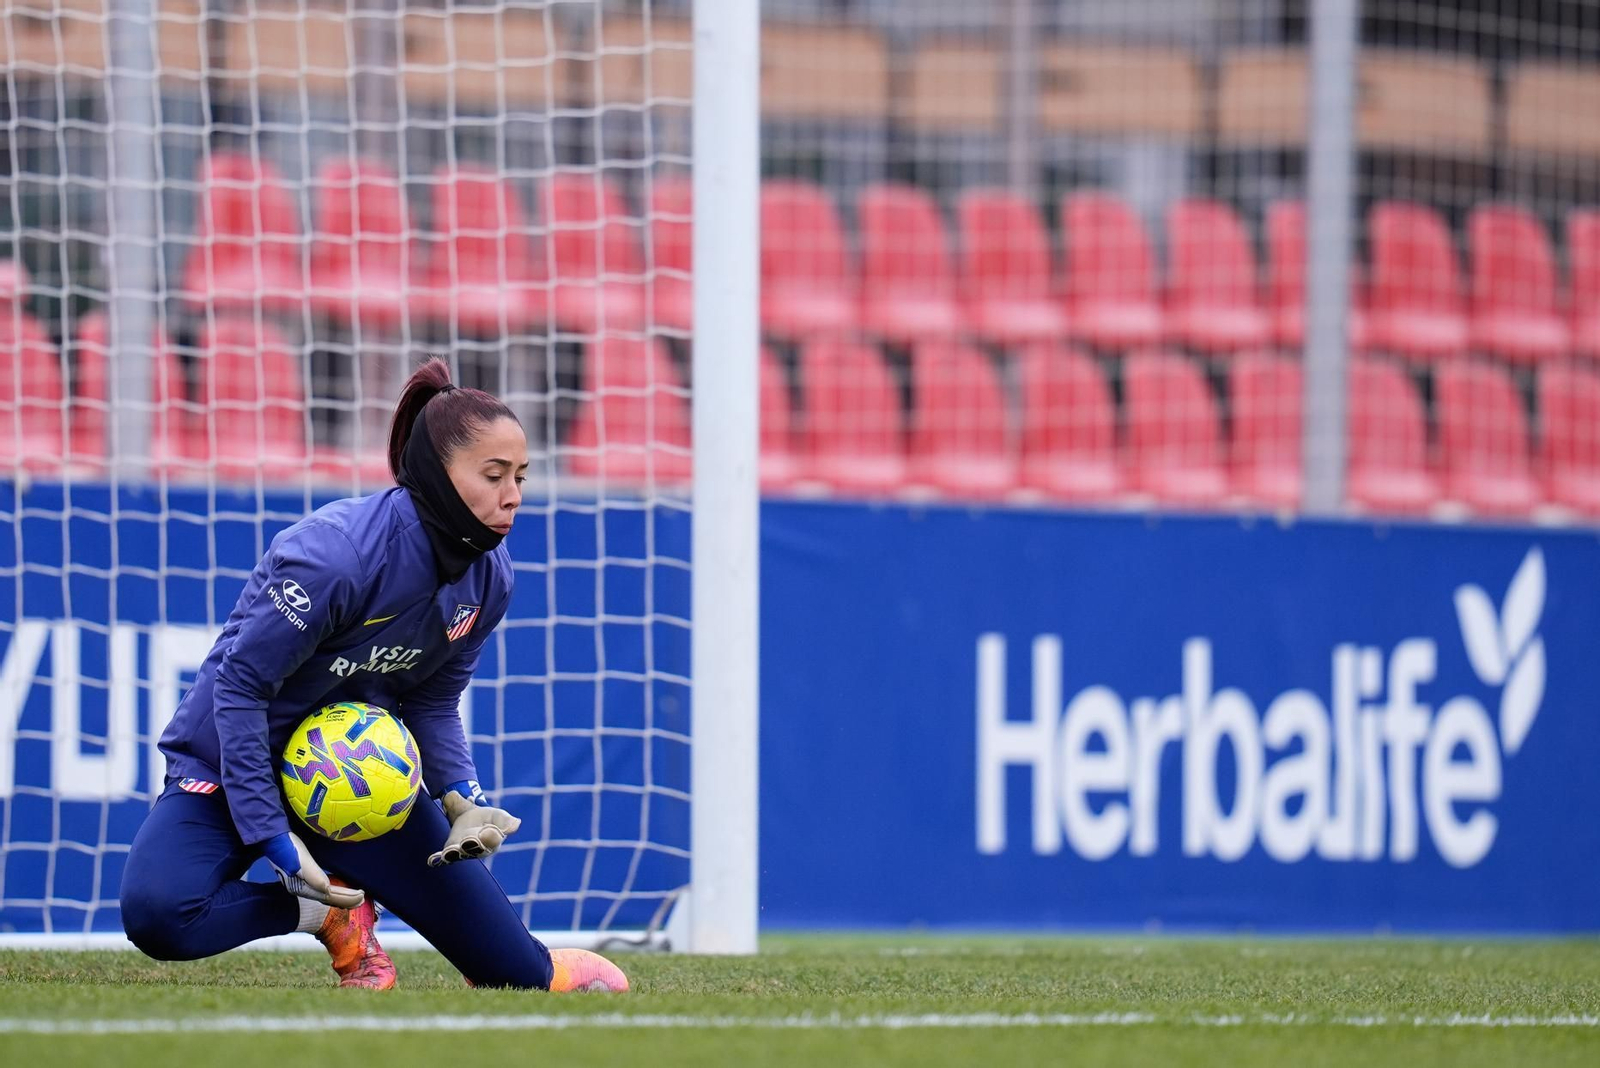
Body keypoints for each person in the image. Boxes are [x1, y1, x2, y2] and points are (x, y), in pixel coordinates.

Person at [120, 357, 628, 993]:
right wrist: (273, 838)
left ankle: (510, 949)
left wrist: (460, 797)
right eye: (494, 475)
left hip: (363, 789)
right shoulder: (334, 557)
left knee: (518, 978)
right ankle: (329, 914)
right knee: (161, 916)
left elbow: (436, 699)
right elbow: (241, 689)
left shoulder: (490, 577)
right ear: (438, 476)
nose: (514, 497)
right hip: (232, 770)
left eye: (521, 477)